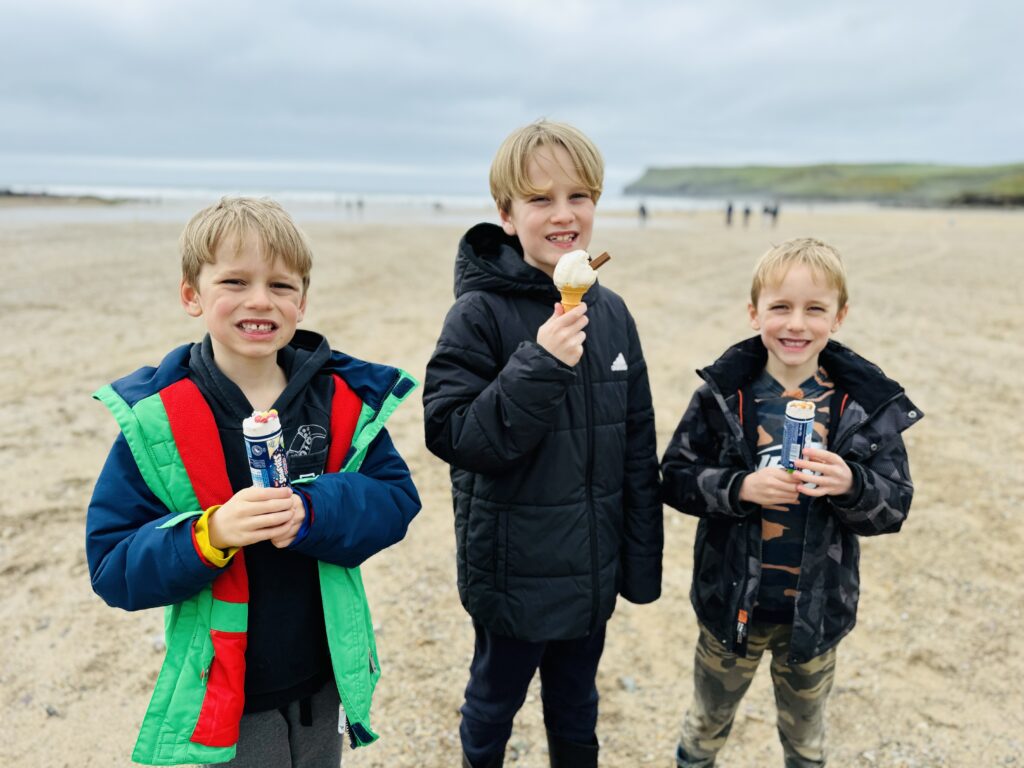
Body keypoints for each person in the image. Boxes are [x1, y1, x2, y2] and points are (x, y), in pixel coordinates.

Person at [86, 197, 421, 767]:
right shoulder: (160, 420)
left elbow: (394, 500)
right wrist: (208, 534)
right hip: (228, 688)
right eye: (235, 281)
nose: (260, 300)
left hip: (324, 673)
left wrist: (312, 512)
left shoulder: (338, 401)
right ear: (192, 294)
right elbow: (113, 566)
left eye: (282, 286)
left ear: (303, 300)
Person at [423, 120, 663, 768]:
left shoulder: (611, 313)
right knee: (493, 704)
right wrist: (540, 362)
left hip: (590, 574)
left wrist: (637, 570)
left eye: (579, 196)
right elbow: (453, 433)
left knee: (577, 708)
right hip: (511, 574)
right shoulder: (478, 313)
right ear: (506, 214)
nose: (564, 214)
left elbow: (638, 447)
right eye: (540, 200)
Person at [661, 237, 922, 767]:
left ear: (839, 317)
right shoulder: (723, 395)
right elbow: (675, 478)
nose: (795, 324)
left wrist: (852, 483)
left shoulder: (861, 407)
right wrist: (739, 489)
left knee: (805, 739)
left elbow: (895, 505)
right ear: (754, 312)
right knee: (707, 722)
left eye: (814, 309)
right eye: (780, 307)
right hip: (731, 608)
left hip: (817, 614)